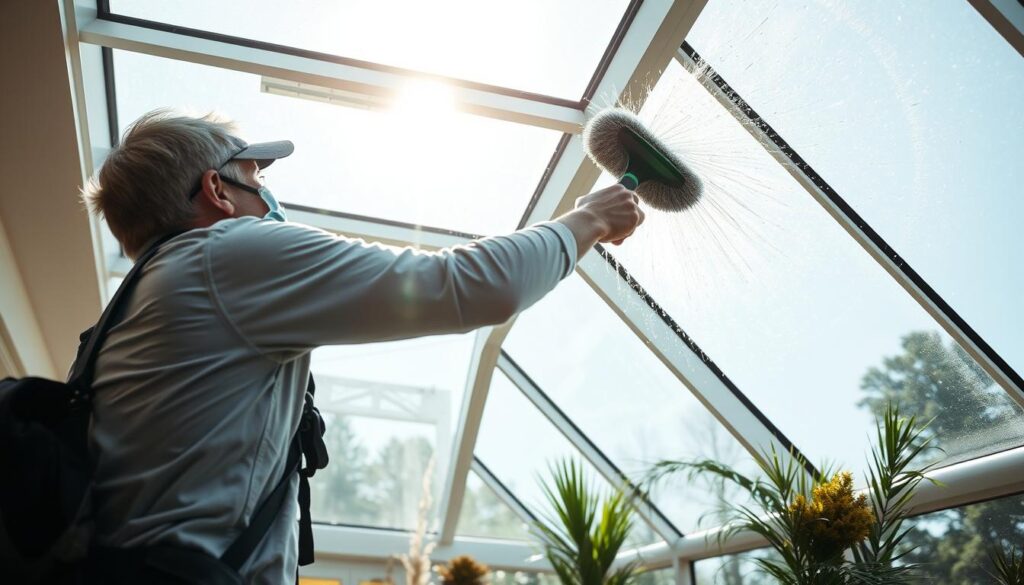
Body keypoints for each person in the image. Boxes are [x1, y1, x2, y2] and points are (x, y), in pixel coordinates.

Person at [79, 109, 644, 583]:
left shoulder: (134, 306)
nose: (270, 194)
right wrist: (589, 220)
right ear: (216, 190)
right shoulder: (224, 255)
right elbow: (469, 287)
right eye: (257, 177)